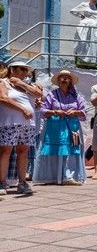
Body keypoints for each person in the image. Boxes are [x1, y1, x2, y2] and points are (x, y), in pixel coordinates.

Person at [33, 70, 87, 185]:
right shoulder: (51, 95)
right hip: (55, 128)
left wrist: (75, 112)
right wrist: (55, 112)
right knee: (56, 151)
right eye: (62, 77)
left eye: (67, 78)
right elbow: (42, 111)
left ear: (70, 81)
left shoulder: (77, 96)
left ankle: (69, 176)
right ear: (58, 81)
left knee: (72, 150)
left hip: (73, 128)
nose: (64, 79)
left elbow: (83, 112)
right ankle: (54, 176)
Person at [0, 62, 42, 194]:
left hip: (27, 124)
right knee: (5, 152)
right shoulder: (3, 82)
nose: (25, 72)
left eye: (26, 70)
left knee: (23, 153)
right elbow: (3, 98)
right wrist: (23, 109)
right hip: (10, 123)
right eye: (22, 69)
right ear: (12, 69)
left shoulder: (25, 85)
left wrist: (21, 83)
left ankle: (22, 182)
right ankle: (2, 182)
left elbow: (38, 94)